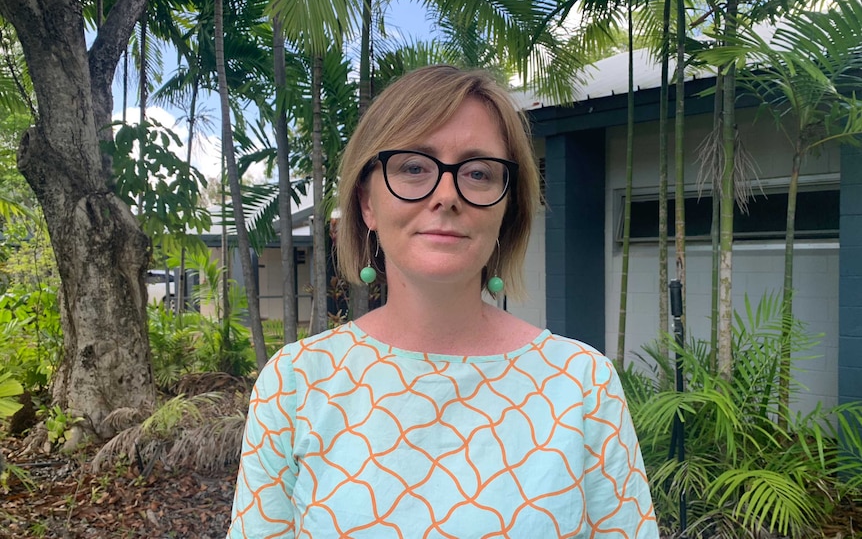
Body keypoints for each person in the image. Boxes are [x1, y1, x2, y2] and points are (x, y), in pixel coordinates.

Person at [227, 65, 659, 538]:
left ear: (507, 207)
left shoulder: (581, 384)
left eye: (478, 172)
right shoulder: (295, 384)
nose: (447, 195)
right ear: (367, 203)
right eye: (414, 167)